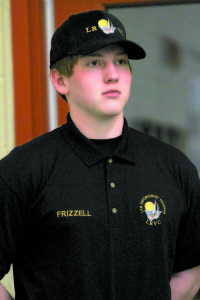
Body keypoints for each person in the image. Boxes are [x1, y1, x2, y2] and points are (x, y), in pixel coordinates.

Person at [0, 9, 200, 300]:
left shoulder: (174, 167)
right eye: (95, 62)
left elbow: (192, 266)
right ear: (60, 80)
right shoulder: (23, 170)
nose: (113, 75)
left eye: (120, 61)